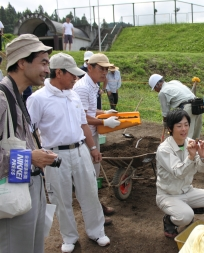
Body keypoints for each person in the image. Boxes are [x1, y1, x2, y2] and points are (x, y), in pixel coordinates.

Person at [27, 52, 110, 253]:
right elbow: (29, 130)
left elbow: (83, 124)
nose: (75, 78)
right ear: (58, 73)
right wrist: (35, 155)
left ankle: (96, 230)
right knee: (61, 197)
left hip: (80, 149)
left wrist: (92, 148)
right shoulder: (38, 99)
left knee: (89, 191)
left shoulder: (73, 95)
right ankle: (69, 236)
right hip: (55, 155)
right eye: (71, 74)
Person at [0, 34, 58, 252]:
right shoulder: (2, 99)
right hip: (11, 192)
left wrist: (35, 152)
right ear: (22, 62)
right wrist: (30, 157)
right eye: (43, 62)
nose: (47, 70)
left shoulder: (19, 96)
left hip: (28, 186)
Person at [155, 109, 204, 238]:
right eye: (179, 126)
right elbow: (178, 172)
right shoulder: (164, 149)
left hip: (187, 191)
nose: (184, 129)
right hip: (168, 195)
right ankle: (170, 220)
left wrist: (203, 157)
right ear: (170, 128)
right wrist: (191, 157)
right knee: (186, 216)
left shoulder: (191, 143)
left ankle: (188, 208)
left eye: (186, 125)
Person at [73, 53, 120, 225]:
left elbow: (91, 111)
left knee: (94, 174)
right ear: (90, 67)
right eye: (101, 68)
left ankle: (97, 206)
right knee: (88, 176)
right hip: (84, 136)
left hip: (92, 133)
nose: (104, 72)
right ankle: (93, 215)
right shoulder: (83, 88)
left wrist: (105, 112)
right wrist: (104, 121)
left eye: (107, 69)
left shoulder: (93, 85)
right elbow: (82, 117)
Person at [148, 74, 202, 141]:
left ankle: (186, 151)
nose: (155, 90)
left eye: (154, 88)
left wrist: (165, 123)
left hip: (188, 108)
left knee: (187, 136)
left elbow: (165, 113)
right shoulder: (174, 82)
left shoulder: (162, 92)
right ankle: (195, 150)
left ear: (158, 85)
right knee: (195, 135)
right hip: (198, 105)